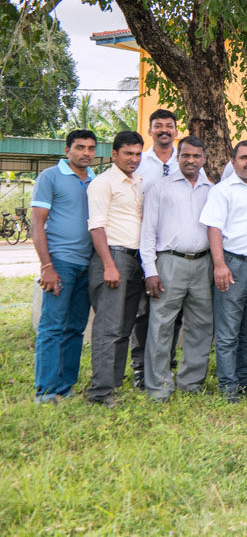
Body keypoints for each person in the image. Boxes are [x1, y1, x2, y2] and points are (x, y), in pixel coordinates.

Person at [139, 136, 214, 401]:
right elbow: (147, 232)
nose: (191, 160)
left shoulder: (211, 189)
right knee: (161, 325)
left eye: (196, 156)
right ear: (177, 157)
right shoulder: (161, 188)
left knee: (201, 325)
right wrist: (151, 270)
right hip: (169, 262)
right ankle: (159, 386)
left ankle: (191, 382)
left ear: (203, 158)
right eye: (186, 155)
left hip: (204, 263)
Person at [31, 129, 97, 404]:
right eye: (80, 147)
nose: (86, 153)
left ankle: (66, 386)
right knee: (53, 325)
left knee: (75, 328)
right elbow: (37, 223)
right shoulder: (50, 177)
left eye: (91, 148)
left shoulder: (95, 181)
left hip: (88, 264)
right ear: (67, 149)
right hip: (60, 262)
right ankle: (46, 390)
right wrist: (47, 265)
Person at [200, 140, 247, 402]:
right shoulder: (222, 191)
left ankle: (246, 378)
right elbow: (213, 228)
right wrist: (219, 265)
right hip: (233, 265)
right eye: (244, 157)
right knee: (228, 332)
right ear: (233, 160)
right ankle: (228, 386)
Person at [86, 131, 146, 406]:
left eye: (137, 154)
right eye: (128, 153)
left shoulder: (138, 183)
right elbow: (97, 226)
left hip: (135, 260)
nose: (134, 159)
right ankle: (99, 392)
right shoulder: (102, 183)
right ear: (114, 154)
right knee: (108, 328)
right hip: (113, 258)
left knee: (124, 327)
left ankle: (112, 384)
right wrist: (109, 265)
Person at [131, 108, 182, 389]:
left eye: (169, 125)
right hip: (144, 246)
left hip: (173, 250)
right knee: (143, 313)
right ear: (150, 130)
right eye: (158, 125)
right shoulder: (140, 162)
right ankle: (141, 369)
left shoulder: (184, 160)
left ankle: (166, 366)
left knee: (172, 314)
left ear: (176, 130)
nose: (164, 130)